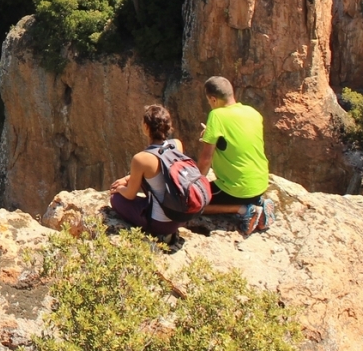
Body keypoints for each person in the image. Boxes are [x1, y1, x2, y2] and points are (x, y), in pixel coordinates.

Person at [195, 76, 274, 234]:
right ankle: (259, 205)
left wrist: (196, 186)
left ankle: (244, 210)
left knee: (192, 205)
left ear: (213, 99)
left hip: (235, 189)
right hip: (260, 184)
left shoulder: (217, 116)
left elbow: (205, 159)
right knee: (247, 193)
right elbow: (239, 142)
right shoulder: (253, 113)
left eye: (209, 102)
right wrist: (212, 136)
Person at [108, 105, 185, 239]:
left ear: (146, 127)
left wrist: (120, 188)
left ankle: (161, 235)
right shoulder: (177, 145)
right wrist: (128, 178)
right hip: (180, 216)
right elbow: (162, 172)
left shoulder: (141, 159)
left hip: (160, 223)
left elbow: (130, 195)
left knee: (116, 199)